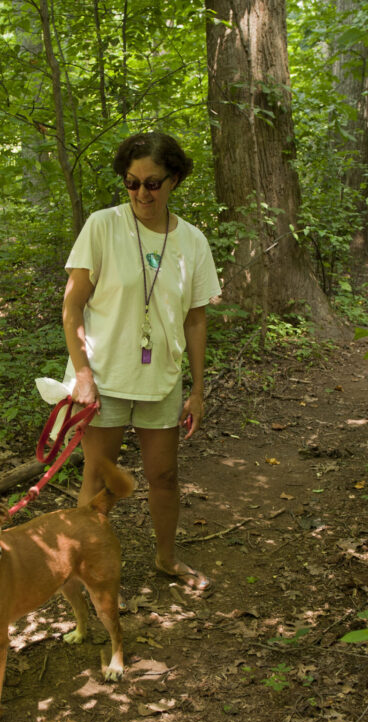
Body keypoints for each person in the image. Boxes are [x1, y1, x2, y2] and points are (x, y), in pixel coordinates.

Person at [62, 132, 222, 591]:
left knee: (164, 475)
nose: (141, 194)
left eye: (152, 183)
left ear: (174, 180)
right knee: (98, 478)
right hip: (105, 376)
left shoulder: (192, 241)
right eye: (131, 183)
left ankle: (166, 559)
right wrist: (83, 374)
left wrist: (197, 390)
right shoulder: (103, 226)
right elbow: (72, 306)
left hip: (161, 379)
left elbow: (195, 320)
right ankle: (85, 570)